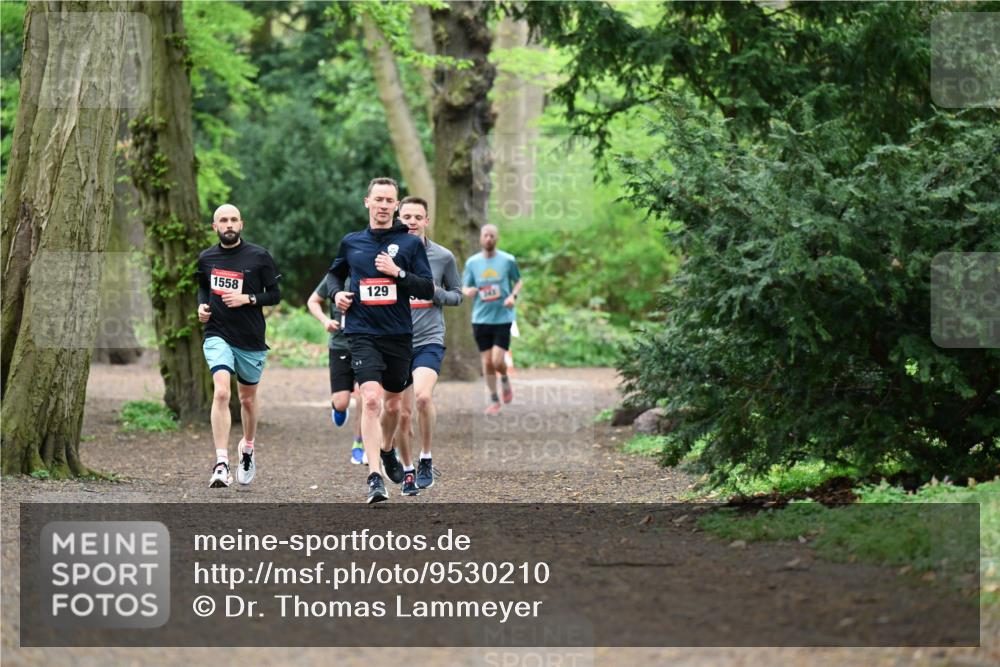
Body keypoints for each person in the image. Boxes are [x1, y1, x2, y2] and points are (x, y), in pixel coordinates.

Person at [326, 178, 435, 503]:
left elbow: (426, 288)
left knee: (392, 406)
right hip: (361, 333)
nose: (384, 205)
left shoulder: (410, 244)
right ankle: (375, 477)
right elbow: (333, 275)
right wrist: (338, 293)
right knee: (371, 400)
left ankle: (387, 449)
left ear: (396, 205)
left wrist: (397, 273)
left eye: (390, 200)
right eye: (379, 199)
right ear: (367, 202)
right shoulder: (352, 242)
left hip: (398, 335)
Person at [196, 204, 281, 488]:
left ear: (241, 224)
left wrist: (248, 299)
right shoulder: (206, 258)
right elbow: (202, 286)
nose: (229, 224)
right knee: (221, 391)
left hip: (251, 338)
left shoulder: (259, 256)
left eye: (233, 220)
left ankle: (247, 446)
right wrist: (202, 306)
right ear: (215, 226)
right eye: (223, 220)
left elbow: (275, 295)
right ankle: (221, 463)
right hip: (217, 332)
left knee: (246, 399)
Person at [387, 196, 462, 494]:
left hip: (429, 339)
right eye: (406, 217)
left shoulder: (443, 257)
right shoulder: (387, 254)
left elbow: (457, 295)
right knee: (402, 414)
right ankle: (408, 471)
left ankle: (426, 457)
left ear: (426, 221)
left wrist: (436, 293)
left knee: (422, 398)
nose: (412, 222)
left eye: (418, 217)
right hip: (396, 340)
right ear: (398, 219)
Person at [463, 224, 522, 416]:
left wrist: (513, 296)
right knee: (487, 362)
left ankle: (504, 378)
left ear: (497, 239)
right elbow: (465, 286)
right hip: (480, 318)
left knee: (497, 360)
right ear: (481, 238)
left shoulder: (507, 260)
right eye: (486, 235)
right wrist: (468, 291)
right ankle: (494, 400)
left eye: (492, 236)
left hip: (503, 317)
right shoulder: (473, 263)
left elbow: (518, 281)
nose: (489, 239)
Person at [307, 276, 365, 464]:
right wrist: (325, 321)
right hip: (339, 345)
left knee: (363, 395)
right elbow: (313, 301)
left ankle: (359, 443)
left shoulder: (370, 272)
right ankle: (338, 407)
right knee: (341, 403)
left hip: (365, 345)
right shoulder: (335, 276)